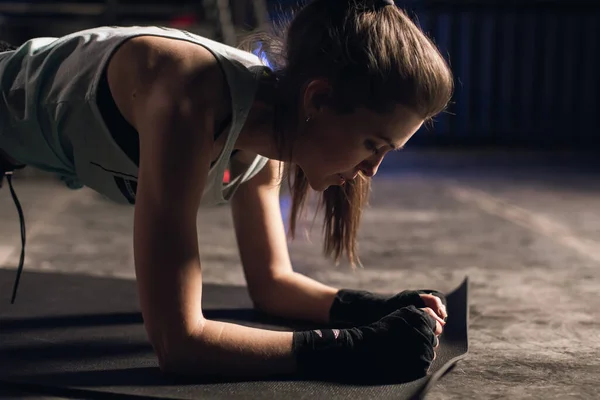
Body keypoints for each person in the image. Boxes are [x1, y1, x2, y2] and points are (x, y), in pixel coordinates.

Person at [0, 0, 453, 383]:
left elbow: (272, 285)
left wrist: (374, 310)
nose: (372, 170)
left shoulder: (270, 131)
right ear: (317, 100)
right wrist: (355, 350)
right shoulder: (188, 101)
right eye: (373, 145)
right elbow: (179, 343)